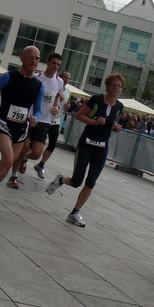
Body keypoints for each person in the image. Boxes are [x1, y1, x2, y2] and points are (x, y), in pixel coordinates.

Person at [45, 73, 125, 227]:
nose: (117, 88)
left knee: (91, 182)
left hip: (102, 148)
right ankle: (60, 180)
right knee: (76, 182)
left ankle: (75, 212)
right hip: (87, 144)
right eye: (114, 85)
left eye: (120, 86)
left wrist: (116, 127)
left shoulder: (119, 107)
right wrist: (94, 121)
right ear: (108, 86)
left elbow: (113, 123)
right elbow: (79, 115)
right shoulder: (96, 99)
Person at [0, 46, 44, 207]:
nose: (34, 61)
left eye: (37, 59)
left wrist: (36, 118)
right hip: (4, 124)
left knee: (9, 163)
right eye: (30, 57)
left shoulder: (39, 86)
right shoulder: (8, 77)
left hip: (21, 129)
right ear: (22, 58)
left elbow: (39, 109)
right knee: (7, 159)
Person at [10, 53, 65, 186]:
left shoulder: (59, 81)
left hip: (45, 121)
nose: (55, 66)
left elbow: (58, 96)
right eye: (53, 63)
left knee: (36, 154)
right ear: (48, 62)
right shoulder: (37, 77)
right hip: (30, 118)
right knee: (24, 148)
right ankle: (13, 176)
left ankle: (24, 159)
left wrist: (56, 106)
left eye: (58, 64)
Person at [33, 70, 71, 178]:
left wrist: (67, 107)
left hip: (56, 120)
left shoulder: (68, 92)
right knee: (35, 143)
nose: (66, 80)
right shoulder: (54, 86)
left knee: (52, 144)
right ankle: (25, 158)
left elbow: (65, 106)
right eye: (64, 77)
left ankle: (41, 165)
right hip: (45, 118)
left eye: (68, 78)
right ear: (59, 77)